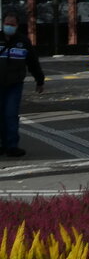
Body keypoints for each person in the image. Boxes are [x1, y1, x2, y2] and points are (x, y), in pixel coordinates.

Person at [0, 10, 44, 158]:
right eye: (7, 24)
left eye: (12, 25)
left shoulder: (23, 41)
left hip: (14, 85)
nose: (9, 27)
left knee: (11, 115)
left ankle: (12, 146)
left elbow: (32, 62)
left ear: (17, 25)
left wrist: (40, 80)